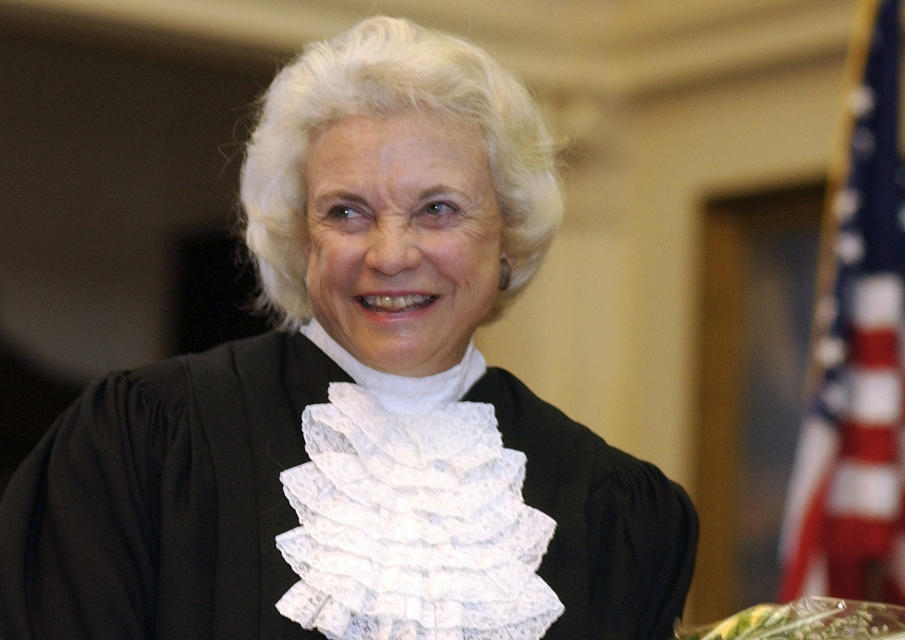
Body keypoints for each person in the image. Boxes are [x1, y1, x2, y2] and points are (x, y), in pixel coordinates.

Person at [0, 16, 697, 640]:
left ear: (508, 232)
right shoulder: (143, 445)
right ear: (301, 240)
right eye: (346, 212)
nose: (391, 255)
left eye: (439, 209)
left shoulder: (620, 515)